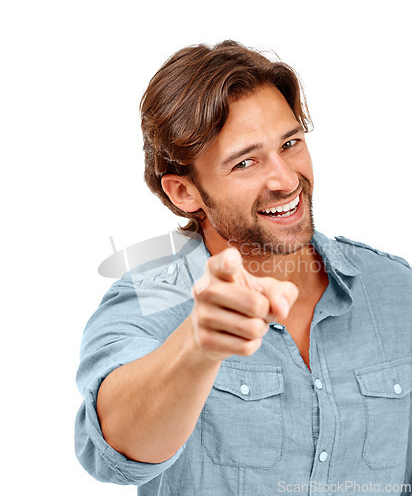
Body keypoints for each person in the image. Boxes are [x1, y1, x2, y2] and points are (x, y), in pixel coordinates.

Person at [75, 40, 412, 495]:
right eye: (246, 162)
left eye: (290, 144)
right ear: (183, 192)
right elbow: (116, 451)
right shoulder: (151, 296)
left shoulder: (396, 291)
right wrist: (196, 347)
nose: (287, 180)